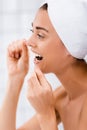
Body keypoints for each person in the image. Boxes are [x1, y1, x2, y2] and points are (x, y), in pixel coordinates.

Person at [0, 0, 87, 130]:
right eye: (32, 31)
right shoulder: (63, 97)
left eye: (40, 35)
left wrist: (46, 115)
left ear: (70, 46)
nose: (29, 42)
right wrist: (15, 79)